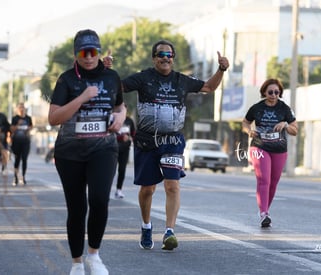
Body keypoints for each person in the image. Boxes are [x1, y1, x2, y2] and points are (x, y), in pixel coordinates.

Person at [108, 40, 229, 250]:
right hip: (147, 141)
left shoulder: (182, 80)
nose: (166, 58)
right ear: (154, 58)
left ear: (173, 58)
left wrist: (221, 69)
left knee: (172, 185)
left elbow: (209, 87)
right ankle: (146, 226)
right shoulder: (143, 77)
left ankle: (169, 232)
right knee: (148, 189)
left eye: (169, 54)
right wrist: (106, 70)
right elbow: (117, 87)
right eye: (161, 54)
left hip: (173, 140)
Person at [48, 29, 126, 275]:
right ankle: (77, 263)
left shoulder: (112, 77)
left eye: (93, 52)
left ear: (99, 52)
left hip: (103, 149)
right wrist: (81, 98)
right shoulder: (67, 79)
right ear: (76, 53)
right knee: (77, 208)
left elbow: (120, 106)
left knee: (100, 200)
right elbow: (53, 118)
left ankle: (94, 255)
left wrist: (120, 117)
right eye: (84, 52)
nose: (90, 57)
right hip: (69, 152)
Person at [242, 78, 298, 228]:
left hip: (279, 148)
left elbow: (295, 130)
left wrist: (285, 125)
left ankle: (265, 210)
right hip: (259, 146)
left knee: (273, 182)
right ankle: (263, 214)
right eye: (270, 92)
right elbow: (245, 122)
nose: (273, 95)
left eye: (277, 92)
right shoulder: (257, 108)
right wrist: (249, 131)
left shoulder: (284, 109)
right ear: (264, 92)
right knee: (264, 179)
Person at [114, 106, 136, 199]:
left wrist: (132, 140)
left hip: (125, 149)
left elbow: (133, 134)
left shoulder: (129, 121)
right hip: (113, 148)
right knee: (110, 171)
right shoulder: (113, 118)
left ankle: (119, 189)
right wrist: (120, 138)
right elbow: (109, 133)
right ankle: (104, 189)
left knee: (122, 170)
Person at [10, 103, 33, 186]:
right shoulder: (15, 118)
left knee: (24, 159)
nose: (21, 109)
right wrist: (18, 124)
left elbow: (31, 127)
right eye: (20, 108)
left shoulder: (28, 118)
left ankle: (23, 177)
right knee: (17, 160)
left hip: (26, 142)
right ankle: (15, 177)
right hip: (16, 142)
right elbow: (12, 129)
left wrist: (28, 129)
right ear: (17, 109)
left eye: (23, 108)